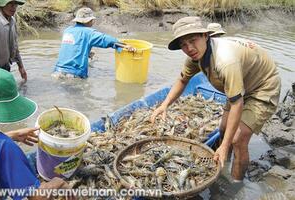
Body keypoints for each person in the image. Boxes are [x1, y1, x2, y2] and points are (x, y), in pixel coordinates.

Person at [150, 16, 281, 181]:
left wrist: (226, 144)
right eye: (183, 44)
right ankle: (221, 165)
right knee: (223, 130)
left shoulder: (225, 60)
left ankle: (235, 184)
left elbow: (237, 103)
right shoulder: (195, 56)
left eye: (193, 40)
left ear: (206, 36)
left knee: (238, 139)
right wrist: (164, 105)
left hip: (262, 87)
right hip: (240, 83)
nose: (189, 48)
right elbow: (182, 80)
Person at [0, 67, 75, 200]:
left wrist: (11, 135)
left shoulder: (1, 144)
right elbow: (35, 197)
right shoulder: (5, 147)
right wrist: (57, 183)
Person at [53, 7, 135, 79]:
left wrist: (87, 52)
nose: (93, 21)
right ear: (88, 21)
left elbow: (71, 47)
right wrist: (125, 46)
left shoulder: (68, 30)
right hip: (74, 75)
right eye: (92, 20)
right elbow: (106, 40)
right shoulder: (89, 32)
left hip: (57, 72)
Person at [0, 0, 27, 82]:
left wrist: (21, 67)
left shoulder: (12, 20)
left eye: (15, 4)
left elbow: (15, 46)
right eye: (10, 4)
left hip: (6, 66)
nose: (14, 7)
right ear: (2, 5)